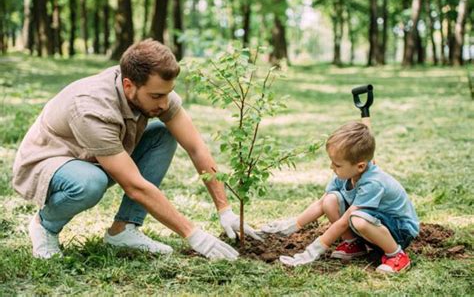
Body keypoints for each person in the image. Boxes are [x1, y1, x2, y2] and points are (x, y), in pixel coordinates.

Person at [12, 39, 261, 260]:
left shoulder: (155, 92)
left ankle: (123, 230)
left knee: (163, 135)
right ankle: (45, 226)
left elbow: (196, 146)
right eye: (156, 96)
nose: (164, 103)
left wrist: (224, 208)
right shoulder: (92, 108)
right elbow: (134, 186)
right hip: (50, 161)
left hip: (96, 156)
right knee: (90, 182)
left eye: (168, 93)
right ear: (129, 85)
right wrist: (193, 234)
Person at [261, 121, 419, 273]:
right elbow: (321, 203)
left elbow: (345, 222)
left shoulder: (373, 183)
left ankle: (396, 255)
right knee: (330, 200)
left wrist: (314, 250)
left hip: (399, 230)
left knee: (358, 219)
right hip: (377, 224)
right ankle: (354, 244)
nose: (332, 167)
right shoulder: (346, 174)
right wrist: (293, 225)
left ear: (360, 166)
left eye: (337, 165)